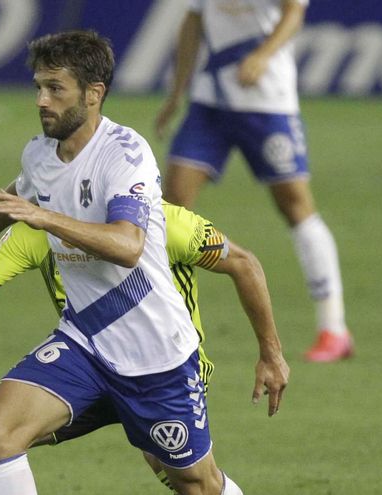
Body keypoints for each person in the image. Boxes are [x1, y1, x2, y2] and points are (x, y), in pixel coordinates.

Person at [0, 31, 287, 495]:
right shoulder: (40, 153)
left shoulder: (125, 154)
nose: (41, 100)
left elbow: (128, 245)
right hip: (86, 345)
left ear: (93, 95)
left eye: (56, 89)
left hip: (156, 358)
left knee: (197, 485)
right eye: (39, 87)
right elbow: (25, 186)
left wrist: (44, 217)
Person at [0, 202, 277, 494]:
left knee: (192, 483)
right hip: (86, 362)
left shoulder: (163, 222)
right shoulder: (39, 231)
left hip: (159, 370)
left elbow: (243, 263)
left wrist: (271, 354)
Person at [154, 0, 353, 362]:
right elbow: (193, 20)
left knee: (295, 206)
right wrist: (177, 91)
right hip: (209, 102)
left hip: (268, 102)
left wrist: (263, 55)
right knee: (170, 209)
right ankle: (162, 321)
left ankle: (333, 328)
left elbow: (294, 11)